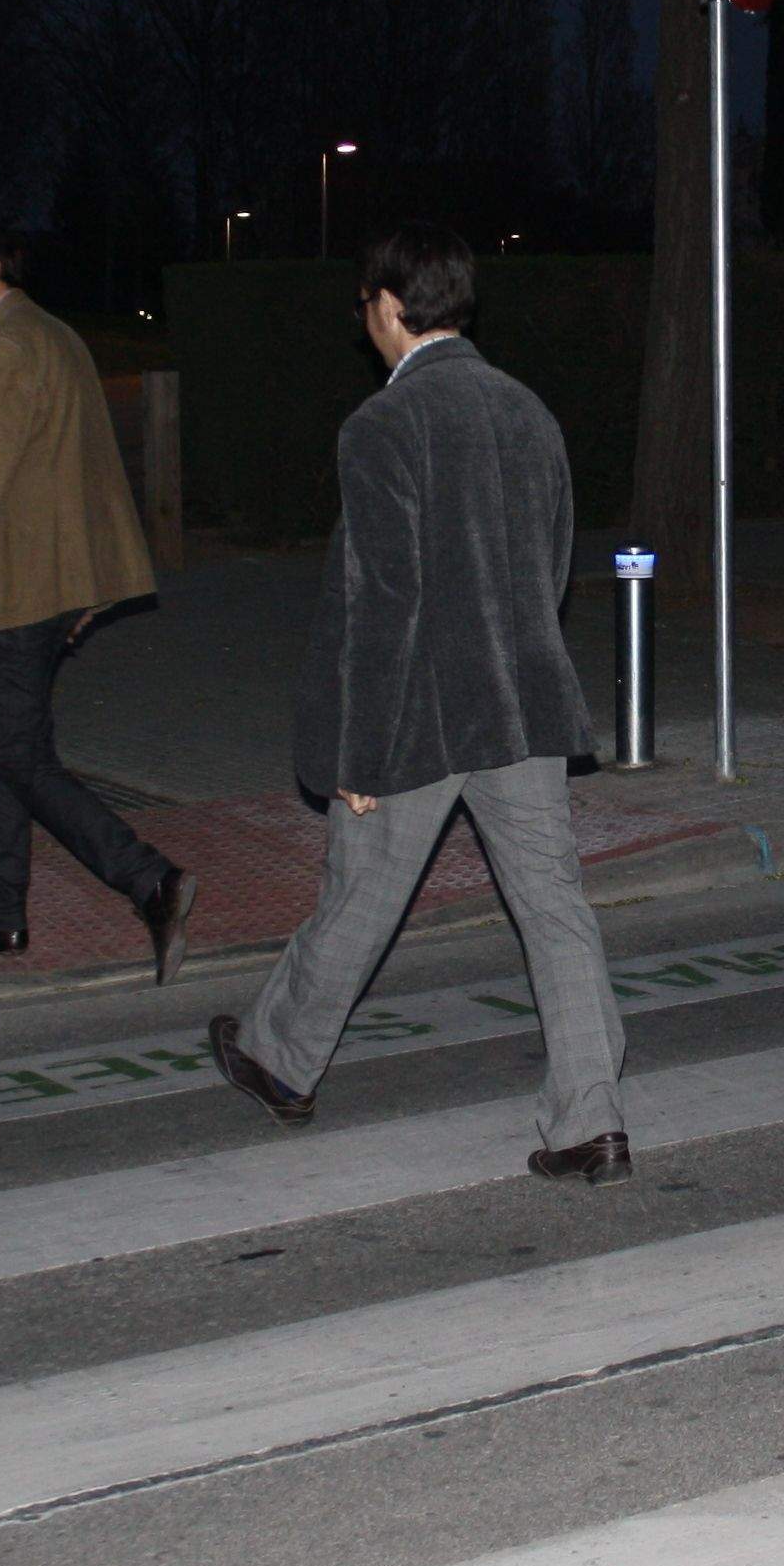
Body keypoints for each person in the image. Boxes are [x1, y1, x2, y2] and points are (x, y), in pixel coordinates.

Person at [205, 222, 630, 1183]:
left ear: (391, 306)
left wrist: (355, 751)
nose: (364, 320)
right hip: (522, 704)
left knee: (362, 890)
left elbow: (381, 600)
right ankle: (592, 1121)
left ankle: (280, 1061)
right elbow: (553, 561)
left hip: (422, 711)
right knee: (556, 910)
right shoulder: (529, 410)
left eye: (365, 303)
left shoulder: (381, 425)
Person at [0, 218, 194, 985]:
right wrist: (90, 582)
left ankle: (149, 880)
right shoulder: (50, 334)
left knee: (15, 756)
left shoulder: (12, 348)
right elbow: (80, 469)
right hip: (46, 580)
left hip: (17, 588)